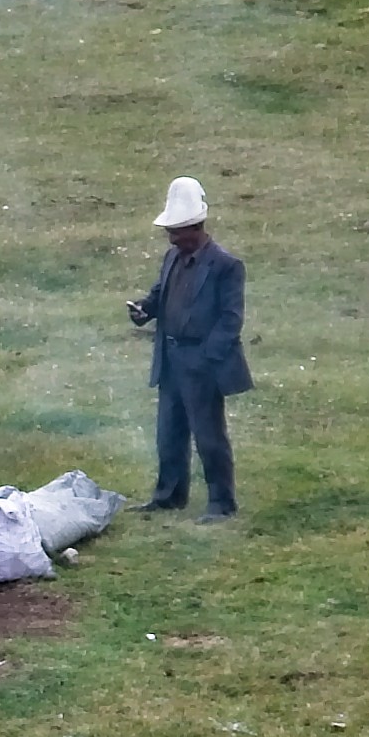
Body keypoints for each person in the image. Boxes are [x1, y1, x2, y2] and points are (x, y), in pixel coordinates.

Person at [129, 175, 250, 517]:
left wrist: (207, 358)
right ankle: (169, 494)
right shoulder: (172, 259)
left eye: (176, 231)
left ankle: (221, 502)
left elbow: (231, 319)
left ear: (195, 227)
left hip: (202, 364)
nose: (171, 238)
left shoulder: (226, 266)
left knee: (209, 436)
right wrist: (143, 310)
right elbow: (158, 297)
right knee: (169, 433)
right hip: (170, 359)